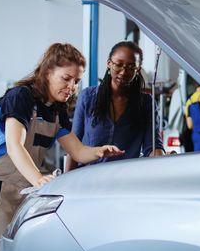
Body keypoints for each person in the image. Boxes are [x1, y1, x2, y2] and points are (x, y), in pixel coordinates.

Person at [0, 43, 124, 251]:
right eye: (66, 78)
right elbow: (14, 146)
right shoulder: (20, 97)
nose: (72, 87)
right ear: (47, 72)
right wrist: (39, 179)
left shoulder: (57, 111)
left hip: (25, 189)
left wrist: (99, 151)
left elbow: (77, 151)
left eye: (76, 81)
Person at [65, 41, 165, 170]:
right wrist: (66, 183)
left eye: (130, 67)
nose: (123, 72)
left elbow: (152, 145)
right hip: (87, 179)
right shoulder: (88, 97)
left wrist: (161, 159)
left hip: (125, 181)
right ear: (109, 64)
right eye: (118, 65)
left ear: (138, 69)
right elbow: (74, 146)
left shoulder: (145, 102)